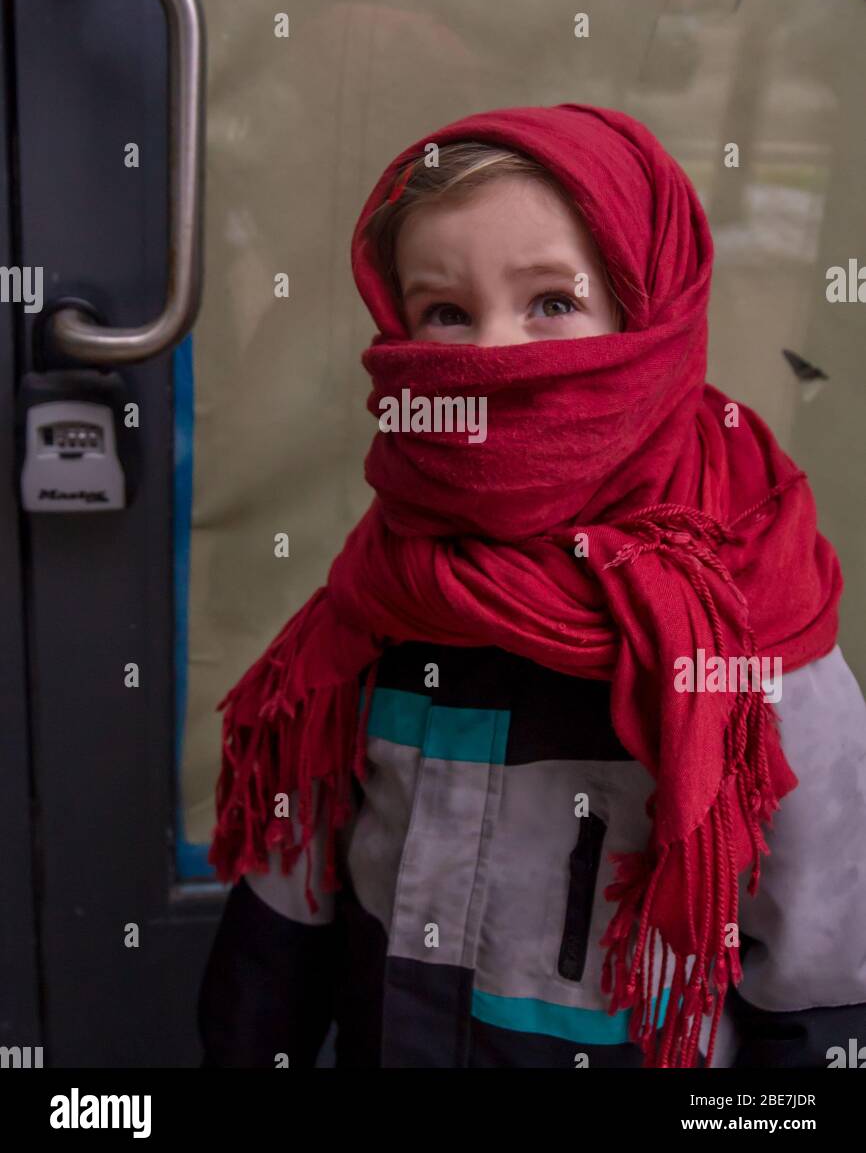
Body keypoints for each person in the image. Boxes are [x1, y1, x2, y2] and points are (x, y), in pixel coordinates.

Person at [197, 103, 866, 1069]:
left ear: (648, 312)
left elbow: (822, 976)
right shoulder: (383, 585)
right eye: (445, 313)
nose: (493, 356)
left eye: (552, 301)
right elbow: (288, 914)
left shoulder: (752, 615)